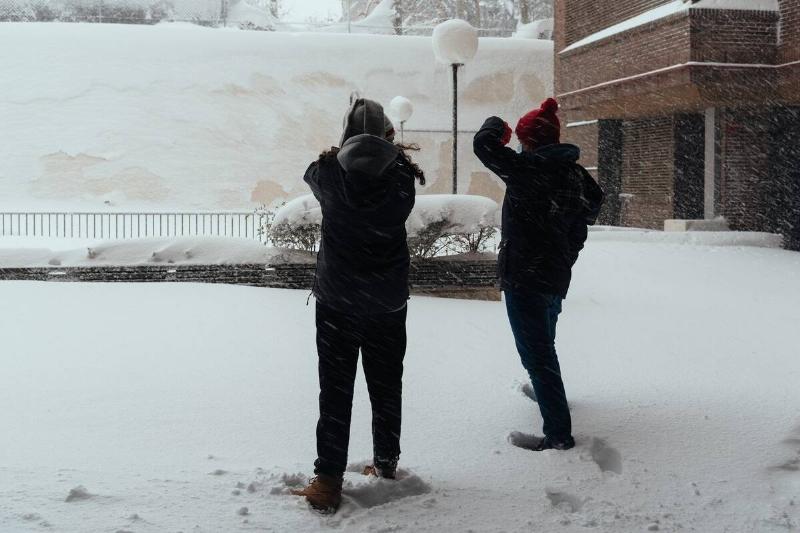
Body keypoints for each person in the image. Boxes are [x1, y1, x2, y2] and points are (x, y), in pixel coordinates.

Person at [291, 97, 425, 513]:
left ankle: (328, 480)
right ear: (389, 136)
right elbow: (391, 169)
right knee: (387, 383)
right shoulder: (402, 176)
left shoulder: (329, 174)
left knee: (335, 389)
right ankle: (386, 462)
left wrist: (343, 149)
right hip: (386, 301)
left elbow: (311, 170)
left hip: (338, 302)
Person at [473, 97, 604, 452]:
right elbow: (584, 221)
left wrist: (497, 125)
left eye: (520, 138)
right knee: (544, 345)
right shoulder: (575, 175)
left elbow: (482, 145)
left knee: (537, 354)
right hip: (554, 277)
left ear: (529, 140)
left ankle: (559, 434)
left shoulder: (526, 169)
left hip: (525, 278)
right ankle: (548, 394)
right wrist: (562, 255)